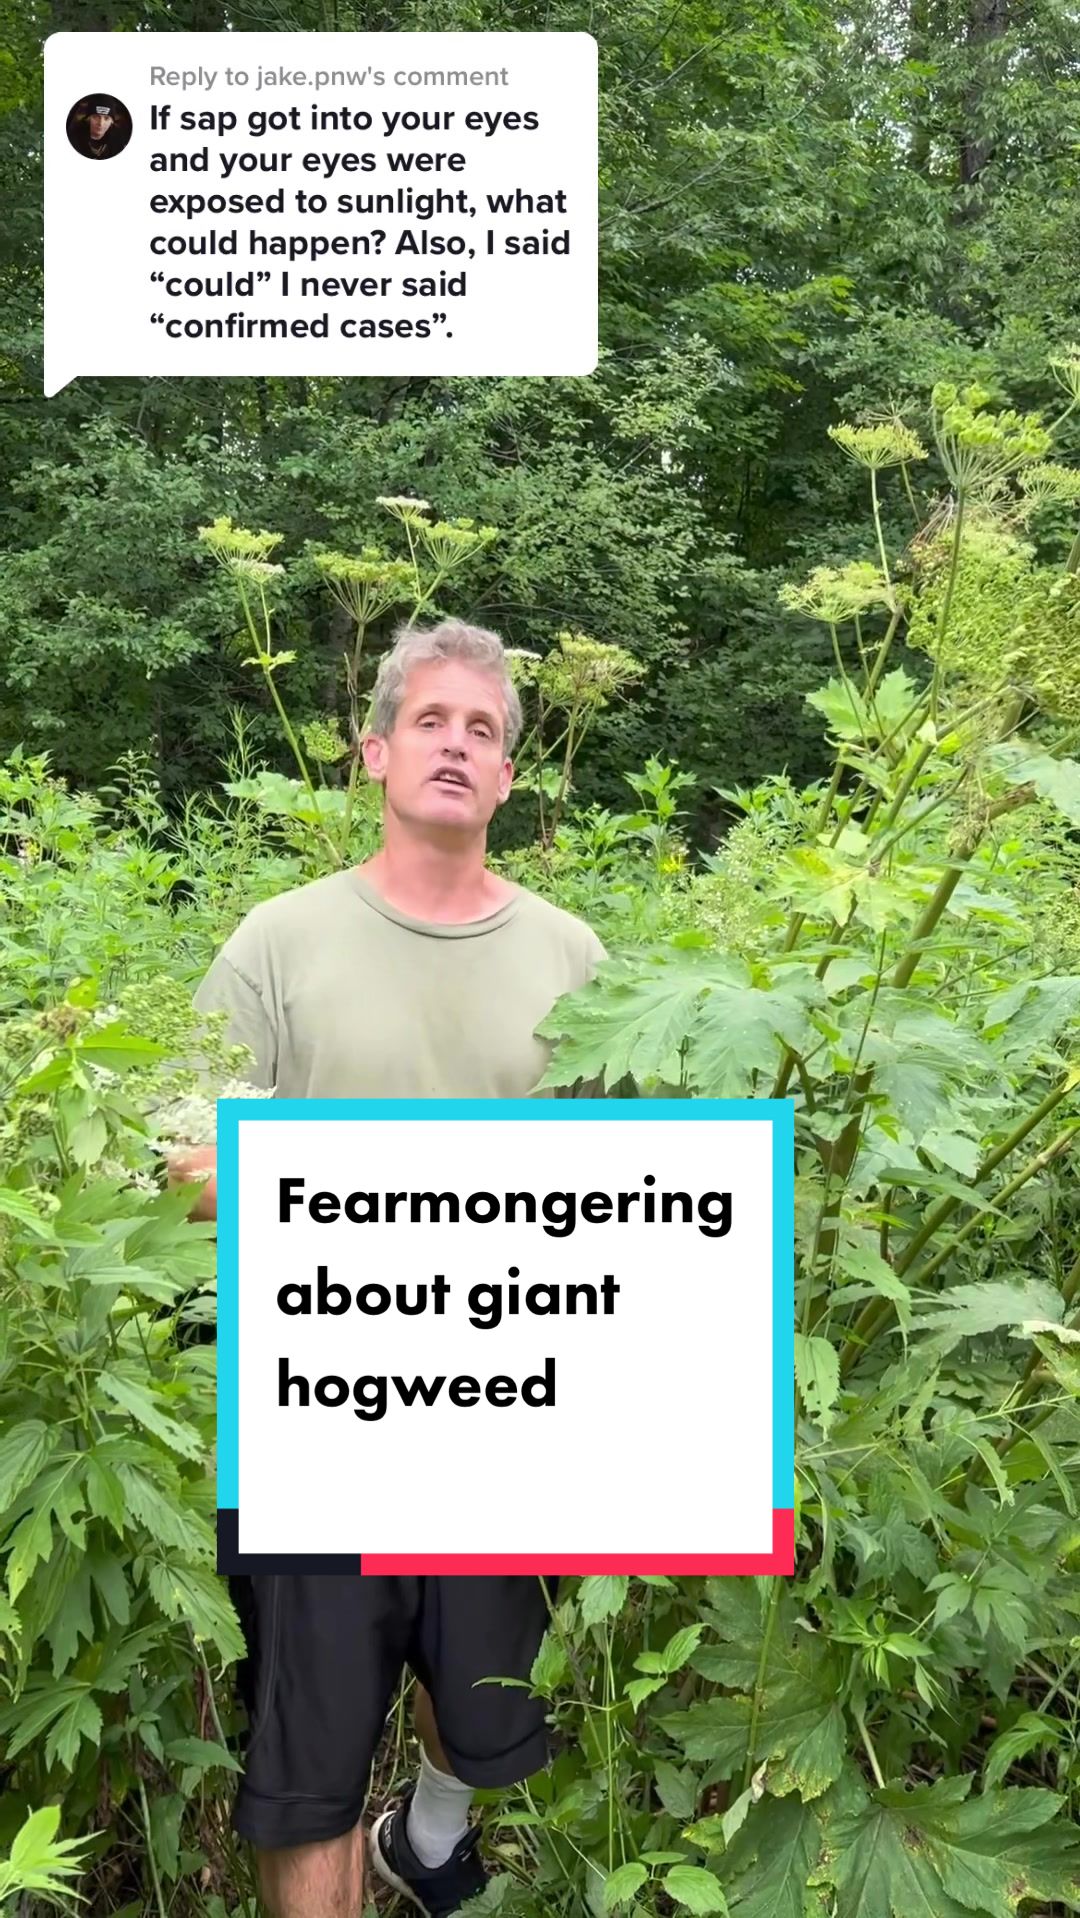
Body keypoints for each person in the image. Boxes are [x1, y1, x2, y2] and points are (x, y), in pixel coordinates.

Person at [169, 619, 606, 1918]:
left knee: (486, 1695)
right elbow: (179, 1162)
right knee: (308, 1754)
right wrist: (350, 1195)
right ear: (375, 752)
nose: (455, 745)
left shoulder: (573, 957)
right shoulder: (278, 942)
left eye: (482, 729)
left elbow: (624, 1183)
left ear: (509, 776)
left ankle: (428, 1834)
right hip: (315, 1399)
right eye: (430, 721)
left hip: (505, 1389)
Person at [66, 95, 132, 161]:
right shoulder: (73, 138)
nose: (101, 123)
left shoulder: (119, 141)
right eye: (96, 117)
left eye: (106, 118)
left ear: (112, 121)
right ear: (89, 119)